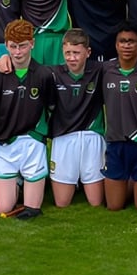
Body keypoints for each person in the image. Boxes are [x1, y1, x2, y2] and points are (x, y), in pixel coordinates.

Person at [0, 19, 53, 218]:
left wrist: (40, 135)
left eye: (23, 46)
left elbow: (52, 108)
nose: (17, 53)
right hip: (6, 144)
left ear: (32, 44)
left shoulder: (43, 74)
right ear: (6, 45)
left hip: (33, 143)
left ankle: (33, 181)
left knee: (32, 210)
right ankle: (16, 181)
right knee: (3, 209)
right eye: (13, 47)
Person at [101, 20, 137, 211]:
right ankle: (125, 179)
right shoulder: (105, 70)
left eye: (132, 41)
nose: (126, 45)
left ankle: (135, 179)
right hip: (115, 144)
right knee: (114, 206)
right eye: (122, 41)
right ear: (116, 44)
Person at [49, 29, 106, 207]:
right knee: (62, 203)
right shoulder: (52, 73)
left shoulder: (100, 70)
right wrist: (2, 60)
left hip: (92, 137)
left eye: (76, 53)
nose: (72, 58)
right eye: (68, 53)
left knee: (96, 202)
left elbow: (129, 65)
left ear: (88, 52)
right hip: (63, 138)